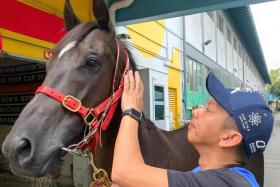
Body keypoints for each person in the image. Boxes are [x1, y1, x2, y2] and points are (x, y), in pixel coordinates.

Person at [111, 70, 274, 187]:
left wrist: (131, 110)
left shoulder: (226, 183)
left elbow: (123, 172)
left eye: (209, 109)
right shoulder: (202, 174)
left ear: (229, 138)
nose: (196, 111)